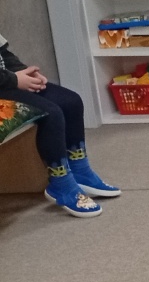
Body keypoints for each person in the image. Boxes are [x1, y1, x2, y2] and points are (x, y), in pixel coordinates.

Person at [0, 33, 117, 216]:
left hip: (6, 80)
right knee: (50, 113)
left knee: (71, 101)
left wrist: (26, 73)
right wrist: (15, 80)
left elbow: (4, 55)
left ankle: (80, 171)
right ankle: (60, 183)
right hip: (5, 85)